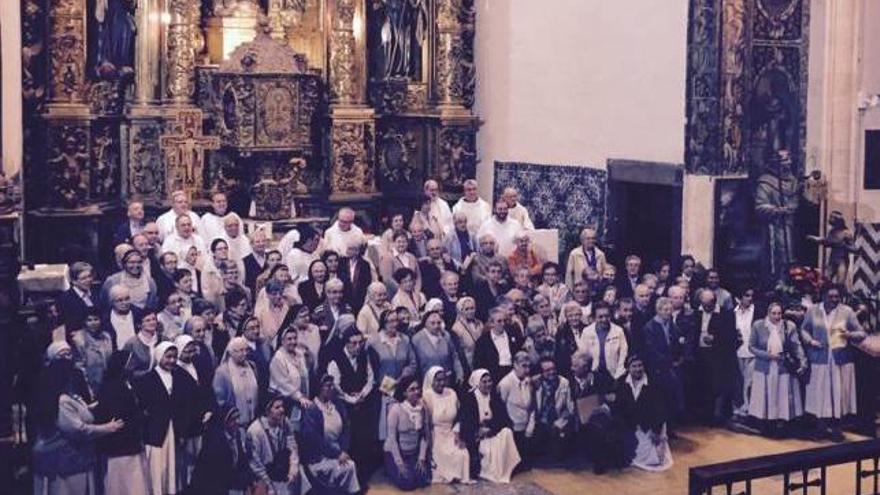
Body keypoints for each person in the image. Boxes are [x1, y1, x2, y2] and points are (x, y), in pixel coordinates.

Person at [32, 342, 125, 495]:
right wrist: (108, 428)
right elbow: (77, 429)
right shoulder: (61, 400)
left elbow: (79, 413)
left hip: (74, 458)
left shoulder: (69, 396)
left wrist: (91, 408)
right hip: (65, 462)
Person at [134, 341, 201, 495]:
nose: (171, 361)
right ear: (159, 357)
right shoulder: (147, 379)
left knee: (174, 470)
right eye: (168, 357)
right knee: (158, 469)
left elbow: (190, 400)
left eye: (174, 357)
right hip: (156, 432)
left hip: (176, 430)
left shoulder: (179, 375)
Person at [801, 284, 866, 442]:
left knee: (837, 395)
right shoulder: (813, 310)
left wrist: (849, 335)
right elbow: (804, 329)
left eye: (837, 296)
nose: (834, 300)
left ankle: (837, 429)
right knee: (819, 394)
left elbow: (862, 333)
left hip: (840, 360)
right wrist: (810, 341)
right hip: (819, 358)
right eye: (830, 296)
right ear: (823, 296)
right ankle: (820, 428)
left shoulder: (847, 312)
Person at [94, 351, 151, 495]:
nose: (133, 366)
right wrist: (140, 415)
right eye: (130, 363)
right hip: (120, 443)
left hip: (133, 440)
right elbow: (119, 413)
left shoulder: (129, 383)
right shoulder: (111, 387)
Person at [747, 302, 807, 435]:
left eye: (779, 313)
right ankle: (766, 424)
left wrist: (803, 362)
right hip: (764, 368)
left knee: (782, 395)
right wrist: (768, 356)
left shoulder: (788, 326)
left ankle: (781, 424)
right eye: (774, 313)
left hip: (782, 367)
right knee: (765, 395)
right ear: (768, 313)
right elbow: (751, 346)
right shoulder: (758, 325)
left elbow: (796, 346)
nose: (777, 316)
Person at [300, 374, 361, 494]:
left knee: (349, 466)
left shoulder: (337, 405)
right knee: (349, 466)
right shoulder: (312, 410)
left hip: (339, 452)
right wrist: (337, 453)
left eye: (332, 385)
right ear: (319, 388)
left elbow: (346, 430)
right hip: (319, 456)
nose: (331, 388)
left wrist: (343, 450)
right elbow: (314, 440)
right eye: (328, 386)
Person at [613, 355, 673, 472]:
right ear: (628, 368)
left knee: (653, 459)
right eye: (634, 366)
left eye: (640, 365)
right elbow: (619, 407)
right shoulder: (621, 383)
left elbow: (659, 409)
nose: (638, 369)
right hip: (629, 425)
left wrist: (656, 431)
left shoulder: (653, 383)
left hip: (648, 425)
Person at [460, 369, 521, 482]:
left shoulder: (494, 397)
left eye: (490, 381)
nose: (488, 384)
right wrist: (478, 431)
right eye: (484, 382)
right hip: (478, 437)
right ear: (477, 383)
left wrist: (490, 428)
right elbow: (466, 423)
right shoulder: (469, 399)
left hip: (492, 432)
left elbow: (504, 419)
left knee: (507, 432)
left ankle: (504, 470)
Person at [367, 309, 417, 441]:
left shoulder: (405, 340)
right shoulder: (374, 341)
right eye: (390, 321)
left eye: (396, 321)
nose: (394, 324)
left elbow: (412, 363)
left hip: (402, 389)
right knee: (387, 429)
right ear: (383, 323)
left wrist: (403, 378)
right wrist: (389, 387)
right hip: (382, 391)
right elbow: (371, 368)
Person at [246, 394, 307, 495]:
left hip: (282, 469)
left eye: (282, 406)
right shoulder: (254, 431)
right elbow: (255, 466)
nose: (282, 410)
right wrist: (270, 487)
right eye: (277, 407)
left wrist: (293, 466)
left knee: (300, 474)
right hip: (263, 476)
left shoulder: (285, 422)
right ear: (267, 411)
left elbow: (292, 446)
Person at [694, 289, 739, 425]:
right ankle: (703, 415)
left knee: (718, 385)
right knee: (702, 385)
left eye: (710, 303)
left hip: (718, 355)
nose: (707, 306)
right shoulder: (696, 313)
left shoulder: (726, 314)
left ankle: (717, 415)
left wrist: (715, 338)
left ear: (715, 301)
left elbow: (731, 336)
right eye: (704, 304)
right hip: (700, 354)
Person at [421, 367, 472, 484]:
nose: (441, 383)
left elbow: (459, 417)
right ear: (431, 381)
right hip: (436, 434)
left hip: (452, 432)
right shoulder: (427, 396)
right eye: (438, 380)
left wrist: (458, 434)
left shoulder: (452, 393)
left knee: (462, 453)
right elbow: (426, 423)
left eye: (443, 379)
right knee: (442, 455)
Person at [641, 297, 685, 429]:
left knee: (671, 399)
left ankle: (670, 427)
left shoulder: (671, 324)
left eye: (670, 310)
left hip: (672, 367)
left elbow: (677, 342)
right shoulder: (649, 327)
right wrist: (667, 362)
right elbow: (651, 350)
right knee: (660, 400)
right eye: (665, 310)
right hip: (657, 369)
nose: (668, 312)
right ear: (658, 310)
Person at [189, 406, 255, 494]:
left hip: (229, 485)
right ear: (225, 422)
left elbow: (242, 461)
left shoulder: (236, 435)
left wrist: (250, 478)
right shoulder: (216, 442)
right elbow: (219, 475)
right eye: (233, 419)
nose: (237, 422)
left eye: (238, 417)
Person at [383, 374, 432, 490]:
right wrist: (399, 463)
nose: (416, 392)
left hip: (413, 454)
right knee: (407, 484)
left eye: (417, 388)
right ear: (404, 393)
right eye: (412, 390)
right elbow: (392, 440)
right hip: (396, 453)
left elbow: (424, 435)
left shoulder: (422, 408)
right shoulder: (396, 410)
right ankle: (391, 469)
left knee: (424, 480)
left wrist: (421, 458)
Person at [577, 301, 628, 394]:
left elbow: (623, 356)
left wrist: (618, 377)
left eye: (607, 316)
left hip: (614, 376)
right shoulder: (587, 332)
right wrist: (587, 375)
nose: (604, 319)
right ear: (594, 317)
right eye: (600, 317)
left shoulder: (618, 331)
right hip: (593, 376)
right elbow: (582, 356)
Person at [269, 326, 313, 430]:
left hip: (302, 401)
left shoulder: (299, 355)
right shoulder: (278, 359)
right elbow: (283, 383)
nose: (293, 342)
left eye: (295, 338)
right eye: (289, 339)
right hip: (286, 403)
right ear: (282, 341)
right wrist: (299, 397)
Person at [532, 357, 574, 461]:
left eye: (553, 369)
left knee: (557, 457)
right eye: (547, 370)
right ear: (541, 373)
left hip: (557, 420)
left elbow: (570, 407)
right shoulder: (536, 383)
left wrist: (564, 419)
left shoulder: (564, 382)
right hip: (540, 421)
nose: (552, 372)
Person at [497, 351, 534, 466]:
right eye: (524, 366)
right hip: (512, 429)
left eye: (528, 366)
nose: (527, 370)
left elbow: (532, 406)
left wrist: (530, 426)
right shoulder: (505, 383)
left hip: (527, 428)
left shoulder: (529, 381)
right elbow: (500, 408)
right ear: (515, 365)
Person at [214, 337, 260, 428]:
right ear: (231, 352)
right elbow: (220, 401)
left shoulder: (252, 366)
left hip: (253, 421)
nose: (245, 354)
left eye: (246, 350)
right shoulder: (222, 372)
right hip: (235, 425)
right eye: (240, 351)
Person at [474, 308, 525, 384]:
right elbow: (479, 364)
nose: (503, 324)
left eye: (504, 320)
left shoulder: (513, 333)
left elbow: (520, 351)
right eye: (499, 321)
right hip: (495, 376)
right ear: (491, 323)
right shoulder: (483, 342)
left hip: (513, 372)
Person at [70, 308, 114, 394]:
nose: (93, 323)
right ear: (84, 322)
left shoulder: (106, 337)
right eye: (89, 320)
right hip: (90, 384)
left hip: (107, 381)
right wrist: (87, 389)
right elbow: (79, 367)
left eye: (96, 319)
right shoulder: (79, 340)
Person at [411, 310, 462, 381]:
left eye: (438, 323)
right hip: (427, 380)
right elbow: (414, 363)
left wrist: (459, 373)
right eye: (432, 323)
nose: (436, 326)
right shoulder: (417, 339)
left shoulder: (446, 335)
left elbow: (454, 356)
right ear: (425, 323)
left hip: (446, 379)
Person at [733, 288, 759, 418]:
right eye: (746, 295)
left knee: (750, 382)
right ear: (739, 298)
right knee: (740, 381)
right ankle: (740, 407)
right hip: (738, 352)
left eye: (751, 295)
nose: (749, 298)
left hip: (752, 352)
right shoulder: (733, 313)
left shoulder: (757, 312)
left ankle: (749, 407)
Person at [122, 310, 162, 378]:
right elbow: (126, 370)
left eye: (154, 319)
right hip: (138, 382)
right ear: (139, 325)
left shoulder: (164, 340)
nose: (152, 322)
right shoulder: (131, 343)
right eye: (148, 320)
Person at [339, 236, 376, 312]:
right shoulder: (341, 262)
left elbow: (367, 282)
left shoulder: (365, 264)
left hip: (360, 299)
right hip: (344, 299)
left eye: (351, 249)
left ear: (357, 250)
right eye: (348, 248)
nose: (348, 251)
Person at [59, 261, 96, 332]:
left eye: (89, 276)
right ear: (73, 281)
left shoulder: (96, 292)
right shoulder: (65, 300)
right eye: (83, 278)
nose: (88, 280)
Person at [450, 296, 482, 372]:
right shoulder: (456, 328)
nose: (470, 311)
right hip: (466, 364)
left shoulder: (480, 324)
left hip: (480, 360)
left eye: (472, 308)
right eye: (467, 309)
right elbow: (457, 352)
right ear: (461, 311)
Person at [256, 280, 292, 346]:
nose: (278, 296)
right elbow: (259, 332)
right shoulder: (260, 311)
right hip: (266, 344)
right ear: (267, 295)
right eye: (274, 294)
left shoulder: (288, 308)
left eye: (280, 293)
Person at [243, 228, 270, 294]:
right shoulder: (245, 261)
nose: (261, 244)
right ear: (251, 244)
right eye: (257, 242)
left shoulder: (271, 257)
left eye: (263, 241)